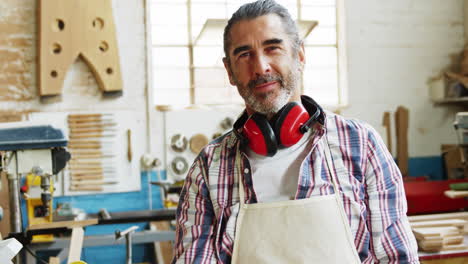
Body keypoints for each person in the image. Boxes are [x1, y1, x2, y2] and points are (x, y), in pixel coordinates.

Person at [172, 0, 419, 263]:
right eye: (244, 55)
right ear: (230, 72)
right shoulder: (209, 167)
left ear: (300, 55)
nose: (261, 67)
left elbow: (397, 258)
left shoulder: (360, 144)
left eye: (273, 48)